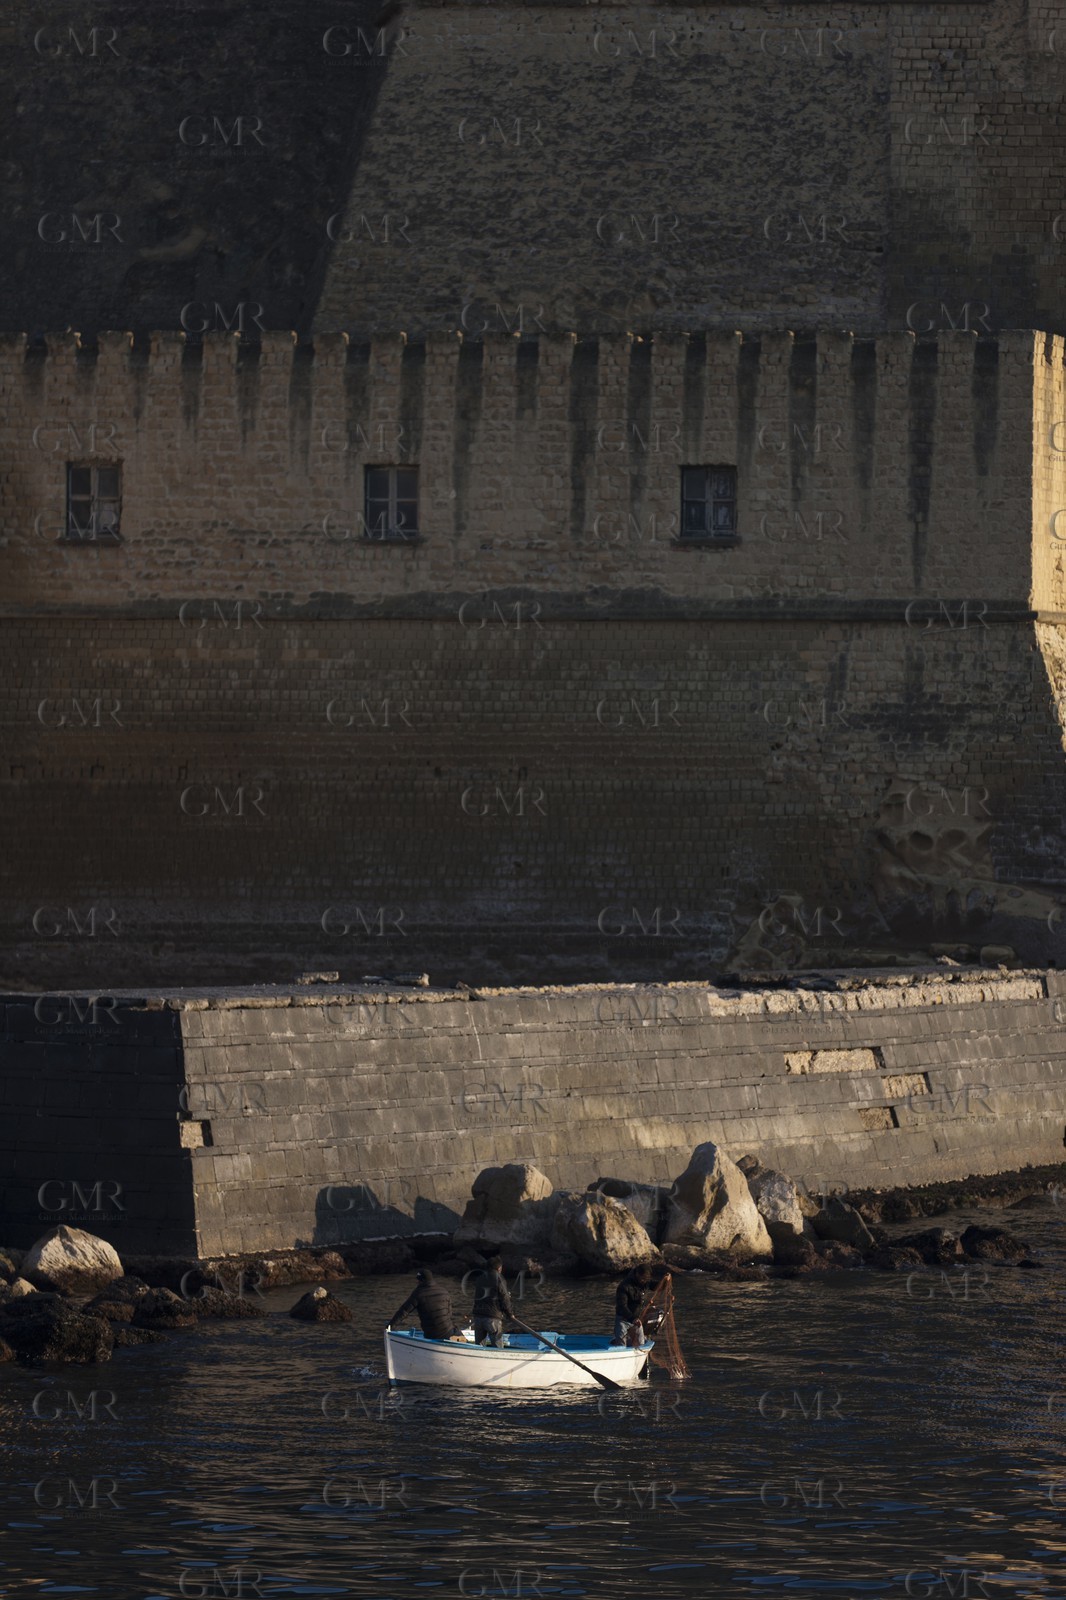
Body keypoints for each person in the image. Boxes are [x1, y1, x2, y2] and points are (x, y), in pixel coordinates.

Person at [388, 1268, 455, 1342]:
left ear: (422, 1281)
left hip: (432, 1335)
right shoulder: (444, 1291)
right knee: (459, 1334)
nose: (417, 1282)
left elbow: (404, 1311)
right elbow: (449, 1314)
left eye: (418, 1280)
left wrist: (390, 1326)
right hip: (448, 1332)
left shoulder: (418, 1293)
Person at [469, 1252, 514, 1347]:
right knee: (498, 1348)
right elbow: (505, 1298)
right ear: (499, 1268)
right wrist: (510, 1313)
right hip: (492, 1318)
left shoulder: (480, 1278)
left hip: (478, 1317)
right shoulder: (499, 1279)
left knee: (479, 1347)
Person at [612, 1262, 652, 1345]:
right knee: (621, 1345)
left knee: (641, 1344)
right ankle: (615, 1341)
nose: (643, 1281)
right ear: (637, 1274)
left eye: (645, 1279)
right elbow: (621, 1306)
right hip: (623, 1320)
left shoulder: (645, 1283)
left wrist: (665, 1281)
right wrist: (633, 1318)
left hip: (637, 1320)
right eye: (642, 1278)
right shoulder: (624, 1286)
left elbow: (654, 1285)